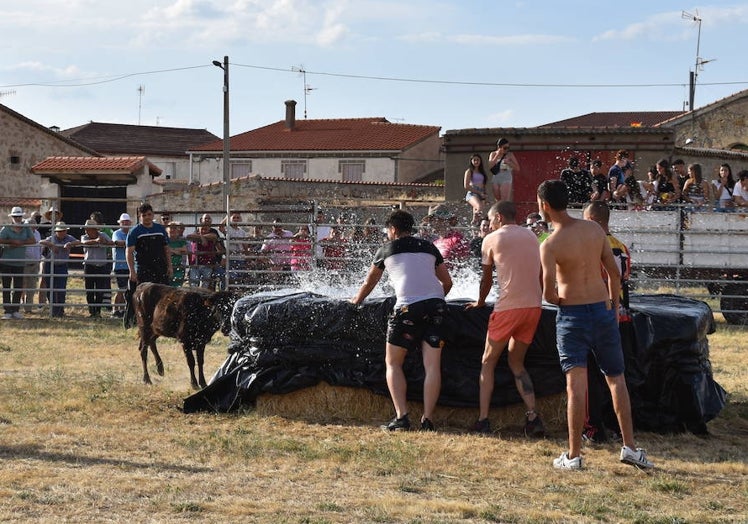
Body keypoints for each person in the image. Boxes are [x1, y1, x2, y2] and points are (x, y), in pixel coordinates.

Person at [537, 180, 653, 470]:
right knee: (616, 379)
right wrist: (612, 307)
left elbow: (547, 294)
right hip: (603, 311)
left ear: (544, 206)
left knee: (575, 386)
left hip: (572, 315)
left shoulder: (550, 244)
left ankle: (574, 456)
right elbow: (614, 275)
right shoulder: (594, 229)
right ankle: (630, 447)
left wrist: (563, 300)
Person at [350, 209, 453, 431]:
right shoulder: (428, 246)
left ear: (393, 230)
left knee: (393, 362)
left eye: (388, 230)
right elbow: (447, 282)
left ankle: (402, 417)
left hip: (407, 308)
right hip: (437, 306)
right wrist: (433, 302)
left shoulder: (386, 249)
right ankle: (427, 420)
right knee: (432, 366)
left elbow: (369, 283)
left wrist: (355, 301)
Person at [466, 201, 545, 437]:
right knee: (516, 363)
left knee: (487, 362)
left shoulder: (491, 239)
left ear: (499, 218)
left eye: (490, 220)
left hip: (508, 308)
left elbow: (486, 279)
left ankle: (483, 419)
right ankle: (532, 416)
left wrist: (480, 302)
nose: (488, 224)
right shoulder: (531, 236)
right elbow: (540, 273)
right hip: (533, 307)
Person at [582, 200, 632, 443]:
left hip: (597, 313)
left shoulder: (592, 245)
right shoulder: (622, 246)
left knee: (590, 376)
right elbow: (624, 278)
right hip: (620, 315)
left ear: (591, 220)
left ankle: (593, 428)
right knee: (616, 376)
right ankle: (617, 426)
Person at [71, 219, 114, 318]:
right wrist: (96, 241)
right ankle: (92, 311)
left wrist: (105, 242)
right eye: (86, 229)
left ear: (94, 229)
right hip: (89, 265)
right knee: (89, 290)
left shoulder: (103, 235)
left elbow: (111, 243)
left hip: (101, 266)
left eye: (88, 229)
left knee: (100, 291)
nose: (86, 231)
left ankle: (97, 312)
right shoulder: (84, 237)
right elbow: (84, 243)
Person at [0, 207, 36, 319]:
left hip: (20, 262)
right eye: (15, 216)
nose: (17, 218)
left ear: (22, 217)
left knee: (18, 287)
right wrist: (11, 241)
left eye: (19, 216)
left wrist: (21, 242)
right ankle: (7, 311)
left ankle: (15, 310)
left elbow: (33, 240)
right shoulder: (6, 228)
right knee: (6, 287)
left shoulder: (26, 228)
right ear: (12, 217)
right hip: (6, 261)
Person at [126, 203, 172, 286]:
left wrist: (170, 266)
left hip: (160, 267)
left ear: (153, 214)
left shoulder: (160, 229)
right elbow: (129, 252)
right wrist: (132, 271)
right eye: (144, 215)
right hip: (143, 268)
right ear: (140, 216)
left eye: (149, 214)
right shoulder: (134, 231)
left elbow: (167, 249)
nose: (147, 217)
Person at [39, 222, 77, 318]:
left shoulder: (69, 238)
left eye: (63, 231)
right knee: (50, 288)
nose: (62, 233)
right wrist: (51, 245)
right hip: (50, 265)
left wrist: (70, 244)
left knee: (61, 288)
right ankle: (53, 309)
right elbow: (41, 242)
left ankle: (60, 310)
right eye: (59, 231)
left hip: (62, 265)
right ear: (56, 232)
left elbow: (78, 242)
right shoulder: (52, 238)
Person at [186, 218, 223, 289]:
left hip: (207, 265)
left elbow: (214, 236)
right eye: (202, 229)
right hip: (195, 264)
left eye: (205, 229)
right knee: (194, 285)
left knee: (205, 285)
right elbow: (188, 236)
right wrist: (201, 237)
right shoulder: (194, 236)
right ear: (199, 229)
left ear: (209, 230)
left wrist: (202, 237)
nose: (203, 231)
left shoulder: (212, 236)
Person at [429, 205, 470, 269]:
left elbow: (465, 266)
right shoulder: (435, 243)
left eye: (432, 220)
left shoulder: (457, 239)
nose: (429, 224)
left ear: (443, 220)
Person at [111, 213, 132, 317]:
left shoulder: (131, 233)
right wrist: (130, 244)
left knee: (126, 289)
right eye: (123, 222)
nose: (125, 224)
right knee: (121, 288)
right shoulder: (116, 233)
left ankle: (123, 309)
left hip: (130, 265)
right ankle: (115, 309)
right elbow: (117, 242)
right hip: (120, 265)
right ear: (120, 223)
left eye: (127, 222)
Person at [488, 138, 520, 202]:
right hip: (496, 176)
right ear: (499, 147)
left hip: (506, 176)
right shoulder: (493, 154)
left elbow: (517, 168)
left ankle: (504, 211)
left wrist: (509, 163)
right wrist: (497, 155)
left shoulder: (510, 155)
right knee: (497, 199)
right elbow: (490, 165)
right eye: (505, 148)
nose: (506, 150)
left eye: (508, 148)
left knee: (504, 200)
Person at [21, 218, 42, 313]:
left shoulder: (37, 233)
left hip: (35, 263)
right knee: (21, 285)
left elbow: (39, 247)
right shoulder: (22, 234)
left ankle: (28, 308)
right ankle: (16, 307)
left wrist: (38, 259)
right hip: (24, 263)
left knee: (32, 286)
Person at [464, 153, 488, 224]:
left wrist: (484, 194)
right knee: (479, 207)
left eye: (478, 160)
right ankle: (474, 221)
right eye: (474, 160)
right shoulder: (469, 171)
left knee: (479, 213)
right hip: (472, 192)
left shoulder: (482, 172)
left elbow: (484, 185)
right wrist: (478, 192)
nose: (476, 162)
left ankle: (474, 225)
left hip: (481, 193)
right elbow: (466, 186)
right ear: (471, 161)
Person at [167, 222, 188, 287]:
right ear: (167, 229)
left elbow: (184, 250)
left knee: (177, 287)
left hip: (178, 266)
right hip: (167, 266)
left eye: (174, 228)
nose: (172, 230)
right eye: (171, 228)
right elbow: (165, 250)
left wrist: (171, 250)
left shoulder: (180, 240)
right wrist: (177, 251)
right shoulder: (165, 240)